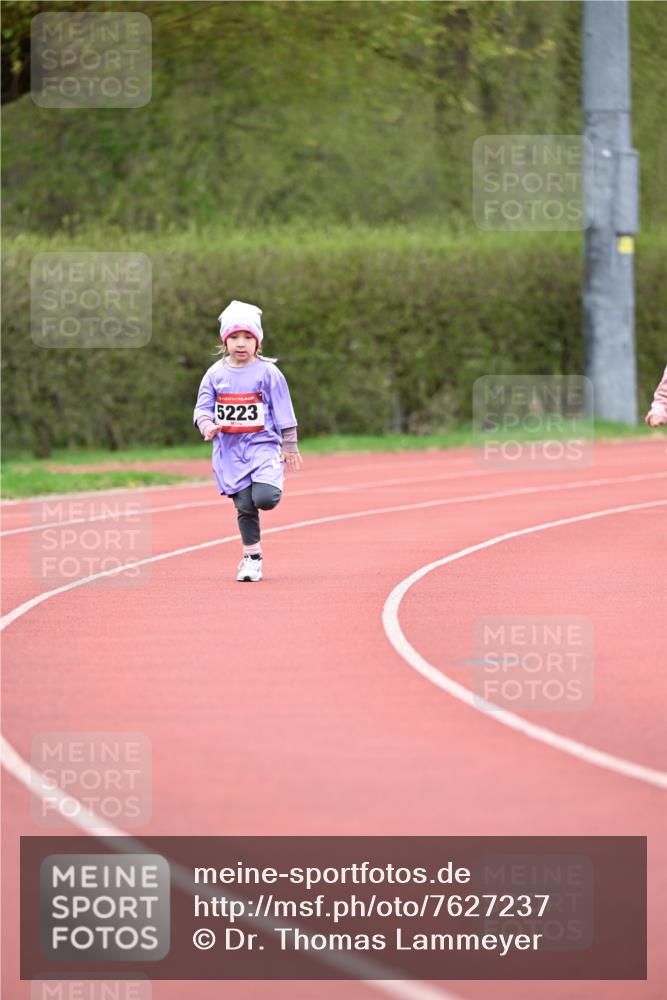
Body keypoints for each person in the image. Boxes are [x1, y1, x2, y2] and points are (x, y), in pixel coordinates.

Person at [193, 300, 302, 582]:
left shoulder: (268, 373)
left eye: (247, 337)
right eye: (234, 337)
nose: (240, 343)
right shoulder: (215, 374)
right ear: (224, 341)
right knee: (244, 506)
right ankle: (251, 559)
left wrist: (289, 445)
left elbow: (283, 408)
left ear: (258, 342)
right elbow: (202, 408)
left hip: (263, 447)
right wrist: (207, 425)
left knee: (264, 498)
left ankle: (271, 479)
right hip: (230, 452)